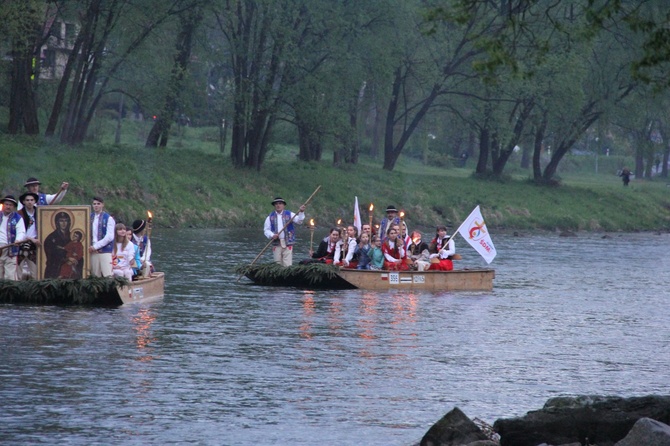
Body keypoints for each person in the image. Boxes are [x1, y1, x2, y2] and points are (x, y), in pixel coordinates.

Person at [263, 197, 306, 267]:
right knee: (277, 264)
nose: (278, 205)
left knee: (287, 264)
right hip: (277, 244)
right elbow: (266, 230)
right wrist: (272, 235)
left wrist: (301, 212)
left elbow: (299, 221)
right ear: (274, 206)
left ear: (283, 205)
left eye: (280, 203)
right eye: (276, 204)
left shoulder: (290, 214)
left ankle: (287, 276)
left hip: (288, 243)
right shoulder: (270, 217)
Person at [0, 195, 26, 280]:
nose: (8, 206)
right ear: (3, 205)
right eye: (6, 204)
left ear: (14, 207)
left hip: (10, 249)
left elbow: (21, 231)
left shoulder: (18, 218)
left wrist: (18, 240)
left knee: (10, 277)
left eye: (10, 205)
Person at [89, 196, 115, 277]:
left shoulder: (108, 218)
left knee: (107, 274)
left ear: (102, 205)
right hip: (92, 250)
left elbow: (109, 236)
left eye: (98, 204)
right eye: (94, 204)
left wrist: (96, 246)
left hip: (104, 250)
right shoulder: (89, 217)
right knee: (95, 275)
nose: (96, 206)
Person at [17, 192, 40, 279]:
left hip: (34, 245)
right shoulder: (19, 214)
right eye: (27, 200)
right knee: (18, 272)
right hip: (21, 244)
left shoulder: (39, 213)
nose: (30, 202)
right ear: (23, 202)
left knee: (35, 273)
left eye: (31, 200)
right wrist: (29, 238)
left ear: (34, 201)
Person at [44, 210, 72, 278]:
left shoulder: (72, 236)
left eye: (66, 221)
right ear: (57, 223)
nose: (64, 223)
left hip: (69, 268)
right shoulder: (51, 238)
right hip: (54, 268)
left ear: (69, 222)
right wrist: (65, 258)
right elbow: (51, 254)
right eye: (61, 221)